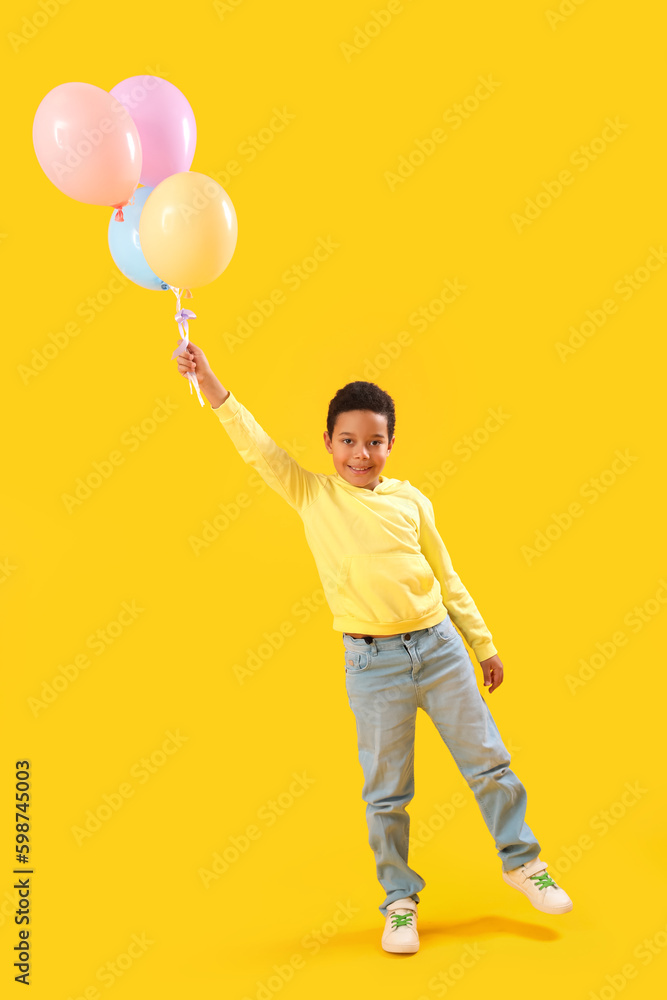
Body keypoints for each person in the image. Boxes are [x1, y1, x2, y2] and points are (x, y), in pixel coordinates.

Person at [174, 340, 573, 954]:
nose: (361, 453)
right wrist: (208, 379)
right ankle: (399, 901)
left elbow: (447, 576)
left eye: (374, 442)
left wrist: (482, 644)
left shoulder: (412, 501)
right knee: (387, 793)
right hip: (372, 663)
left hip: (439, 648)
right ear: (329, 442)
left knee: (490, 762)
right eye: (349, 441)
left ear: (390, 445)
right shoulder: (312, 494)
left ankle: (522, 863)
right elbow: (256, 445)